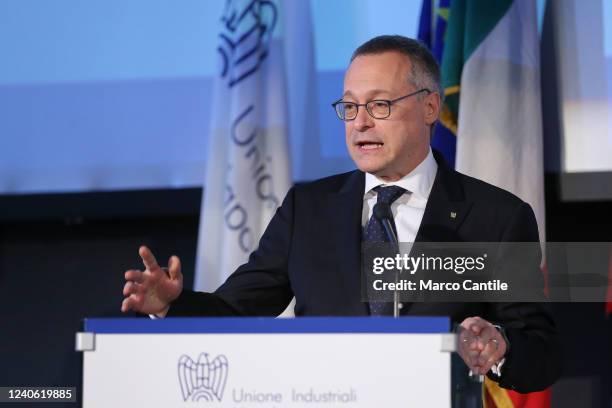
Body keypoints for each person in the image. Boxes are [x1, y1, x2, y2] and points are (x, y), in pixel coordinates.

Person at [121, 35, 559, 393]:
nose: (360, 122)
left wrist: (499, 347)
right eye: (350, 107)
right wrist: (171, 305)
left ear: (429, 107)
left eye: (379, 105)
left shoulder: (497, 216)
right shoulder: (307, 211)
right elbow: (235, 310)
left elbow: (541, 353)